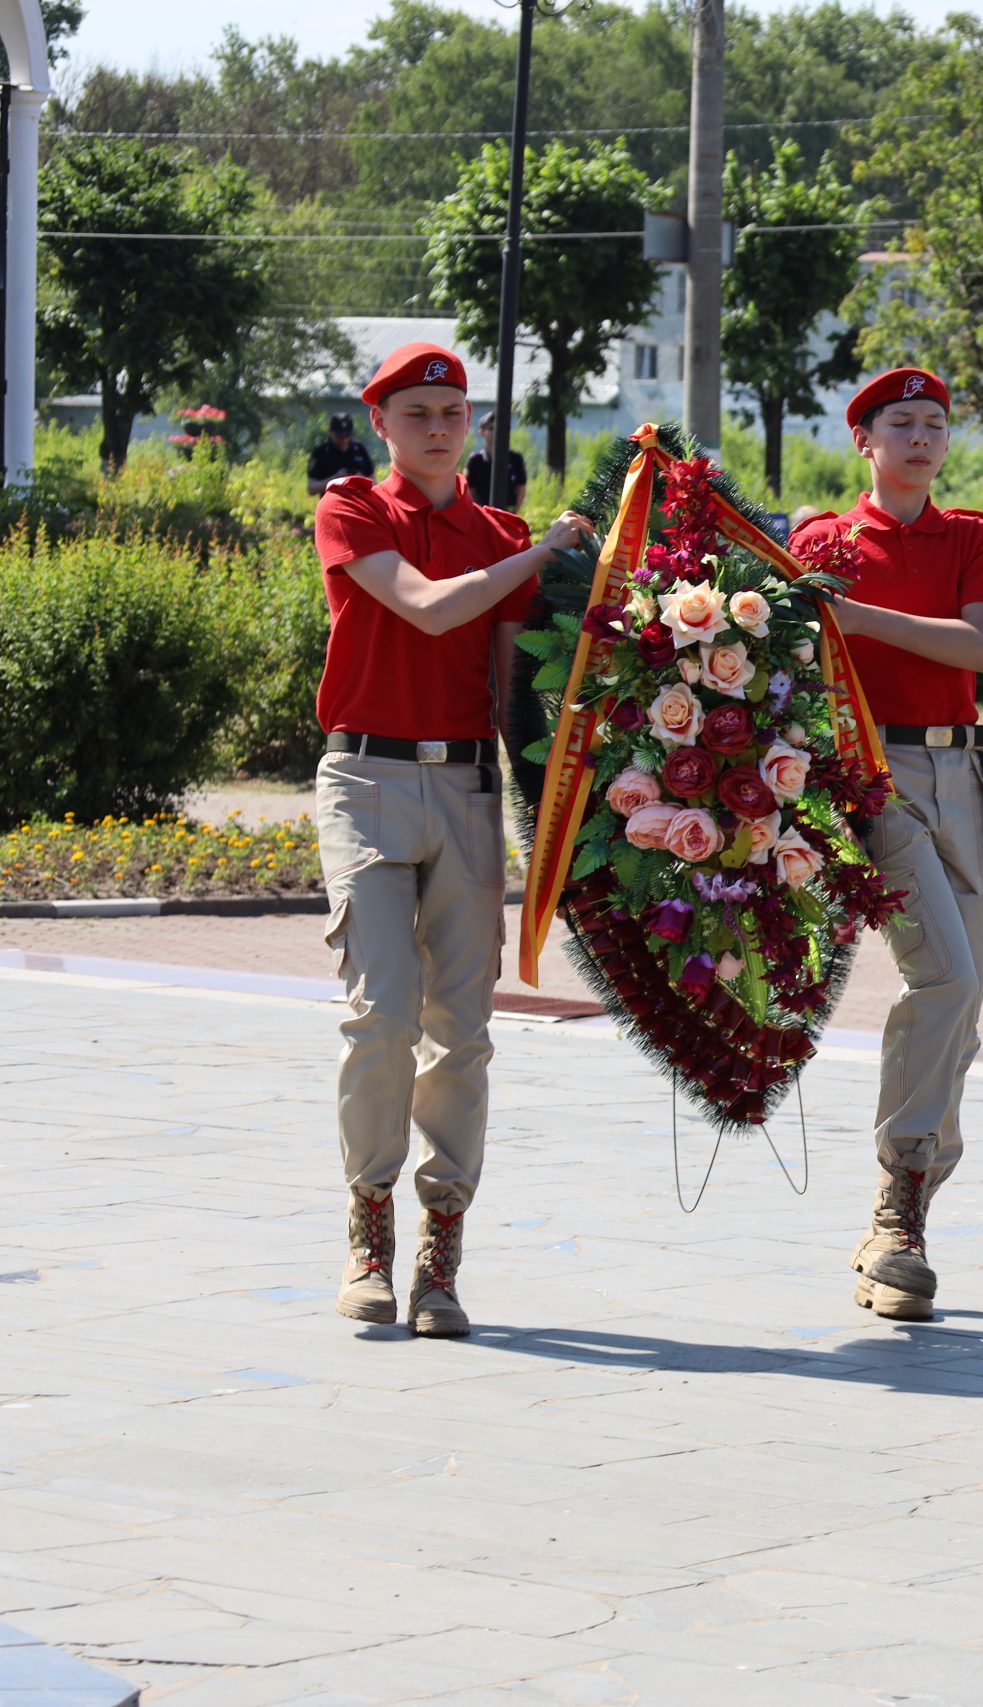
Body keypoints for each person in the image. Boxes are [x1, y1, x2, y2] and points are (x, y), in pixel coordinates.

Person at [311, 341, 597, 1337]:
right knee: (380, 1013)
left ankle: (441, 1246)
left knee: (462, 1033)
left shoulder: (499, 528)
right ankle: (369, 1222)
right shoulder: (353, 508)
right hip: (369, 780)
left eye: (454, 411)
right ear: (380, 423)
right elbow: (430, 612)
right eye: (418, 412)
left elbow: (522, 679)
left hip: (467, 787)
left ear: (473, 425)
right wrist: (536, 552)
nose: (439, 428)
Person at [789, 366, 983, 1323]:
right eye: (902, 425)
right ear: (864, 442)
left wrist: (858, 615)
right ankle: (898, 1204)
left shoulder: (971, 537)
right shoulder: (820, 543)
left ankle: (905, 1213)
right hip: (871, 782)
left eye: (935, 424)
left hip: (961, 777)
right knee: (947, 981)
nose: (922, 439)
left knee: (964, 1003)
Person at [465, 415, 529, 513]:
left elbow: (521, 488)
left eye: (499, 428)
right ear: (482, 432)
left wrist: (514, 512)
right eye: (491, 428)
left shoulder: (515, 458)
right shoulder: (475, 460)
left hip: (508, 513)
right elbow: (469, 490)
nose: (496, 432)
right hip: (483, 515)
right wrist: (480, 513)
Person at [306, 412, 375, 494]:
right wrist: (335, 479)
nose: (344, 440)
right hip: (332, 502)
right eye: (340, 436)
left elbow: (374, 484)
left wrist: (359, 479)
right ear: (330, 432)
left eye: (347, 435)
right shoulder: (320, 453)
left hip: (358, 502)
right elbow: (311, 488)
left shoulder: (359, 450)